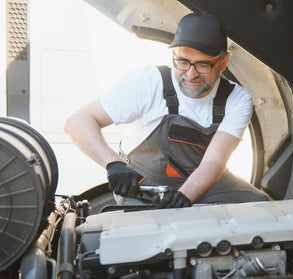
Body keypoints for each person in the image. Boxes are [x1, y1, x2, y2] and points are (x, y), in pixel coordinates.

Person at [64, 12, 269, 208]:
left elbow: (214, 162)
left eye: (203, 65)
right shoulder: (148, 82)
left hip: (205, 181)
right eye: (182, 62)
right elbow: (78, 121)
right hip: (144, 186)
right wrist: (113, 164)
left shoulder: (237, 99)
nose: (191, 74)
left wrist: (185, 196)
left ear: (223, 62)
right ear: (173, 55)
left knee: (259, 205)